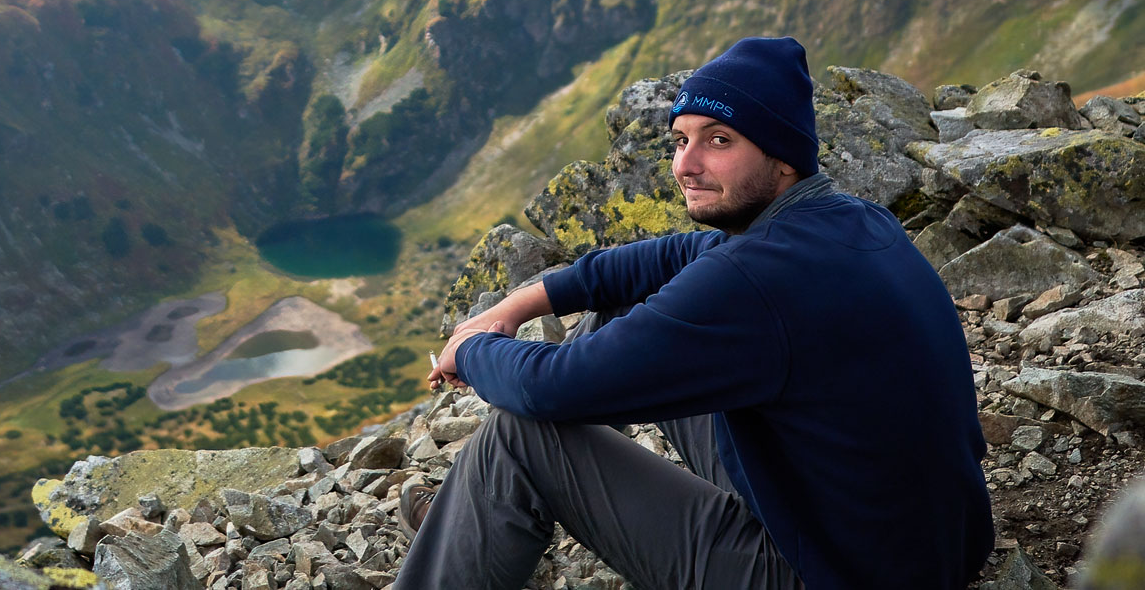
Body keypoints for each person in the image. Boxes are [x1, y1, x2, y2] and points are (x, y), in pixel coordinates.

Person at [394, 36, 992, 590]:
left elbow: (554, 387)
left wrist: (472, 349)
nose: (685, 164)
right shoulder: (847, 220)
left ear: (782, 155)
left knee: (524, 436)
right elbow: (671, 256)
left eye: (719, 140)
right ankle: (485, 519)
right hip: (931, 546)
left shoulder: (755, 279)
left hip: (829, 574)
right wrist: (516, 305)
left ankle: (497, 508)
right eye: (681, 140)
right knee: (628, 307)